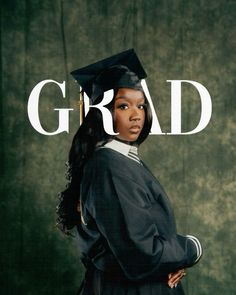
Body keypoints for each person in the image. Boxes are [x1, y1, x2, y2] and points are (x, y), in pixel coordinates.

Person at [56, 49, 202, 295]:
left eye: (141, 106)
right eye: (123, 106)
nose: (136, 115)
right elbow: (142, 254)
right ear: (103, 112)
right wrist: (191, 249)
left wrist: (171, 262)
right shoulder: (109, 166)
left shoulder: (121, 160)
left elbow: (138, 243)